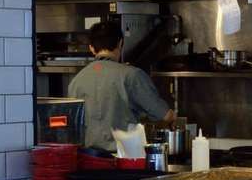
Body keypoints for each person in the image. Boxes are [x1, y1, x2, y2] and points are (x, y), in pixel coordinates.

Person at [67, 20, 175, 151]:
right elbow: (165, 115)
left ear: (91, 48)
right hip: (124, 157)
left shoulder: (76, 81)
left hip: (86, 158)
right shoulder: (131, 75)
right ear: (120, 43)